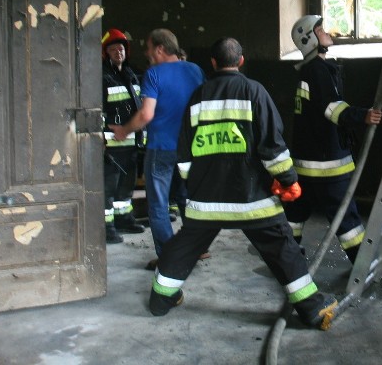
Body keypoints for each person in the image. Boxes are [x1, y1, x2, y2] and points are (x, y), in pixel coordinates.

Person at [148, 37, 338, 330]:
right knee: (282, 248)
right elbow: (272, 146)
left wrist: (194, 185)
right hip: (254, 202)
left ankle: (160, 299)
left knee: (184, 246)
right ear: (241, 61)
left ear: (212, 63)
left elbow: (183, 153)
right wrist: (288, 180)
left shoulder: (198, 97)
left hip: (206, 203)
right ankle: (312, 309)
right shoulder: (254, 92)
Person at [287, 15, 382, 264]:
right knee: (346, 218)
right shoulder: (318, 70)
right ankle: (363, 264)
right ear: (310, 39)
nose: (326, 32)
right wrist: (364, 116)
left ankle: (287, 257)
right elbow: (332, 108)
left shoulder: (309, 71)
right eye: (320, 30)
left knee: (295, 213)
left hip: (305, 163)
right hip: (326, 166)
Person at [110, 28, 204, 269]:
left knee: (159, 204)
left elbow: (146, 114)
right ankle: (198, 249)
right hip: (191, 148)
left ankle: (168, 257)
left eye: (149, 48)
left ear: (160, 49)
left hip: (161, 147)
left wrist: (124, 130)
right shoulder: (195, 70)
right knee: (187, 199)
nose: (147, 53)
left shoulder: (153, 74)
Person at [101, 28, 145, 244]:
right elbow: (97, 109)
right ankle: (106, 226)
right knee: (109, 186)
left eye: (121, 48)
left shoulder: (131, 74)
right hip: (112, 143)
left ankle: (123, 218)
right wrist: (100, 135)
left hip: (131, 143)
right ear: (105, 52)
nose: (118, 52)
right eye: (113, 49)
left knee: (126, 185)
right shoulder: (101, 76)